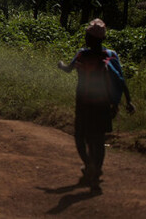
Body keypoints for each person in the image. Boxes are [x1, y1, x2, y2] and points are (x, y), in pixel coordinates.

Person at [57, 18, 135, 192]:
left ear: (91, 39)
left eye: (87, 35)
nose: (85, 38)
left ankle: (90, 165)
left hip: (84, 104)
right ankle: (96, 169)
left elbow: (68, 69)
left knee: (80, 137)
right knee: (98, 140)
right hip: (102, 105)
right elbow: (120, 79)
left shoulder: (82, 55)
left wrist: (60, 64)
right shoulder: (111, 55)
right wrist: (128, 101)